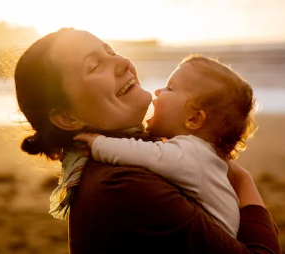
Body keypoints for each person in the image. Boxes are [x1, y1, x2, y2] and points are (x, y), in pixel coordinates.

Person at [14, 28, 281, 253]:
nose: (122, 62)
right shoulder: (123, 185)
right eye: (95, 66)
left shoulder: (131, 160)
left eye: (111, 51)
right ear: (67, 117)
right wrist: (243, 181)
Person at [73, 54, 257, 238]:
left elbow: (143, 153)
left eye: (170, 88)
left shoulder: (192, 154)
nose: (157, 92)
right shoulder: (203, 156)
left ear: (193, 119)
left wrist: (98, 143)